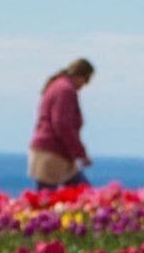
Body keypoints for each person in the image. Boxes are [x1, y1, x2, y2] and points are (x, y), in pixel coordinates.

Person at [26, 59, 93, 189]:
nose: (83, 86)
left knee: (80, 192)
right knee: (81, 193)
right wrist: (80, 153)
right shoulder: (65, 90)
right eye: (85, 81)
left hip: (53, 153)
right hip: (52, 153)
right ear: (81, 76)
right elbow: (62, 125)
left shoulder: (57, 85)